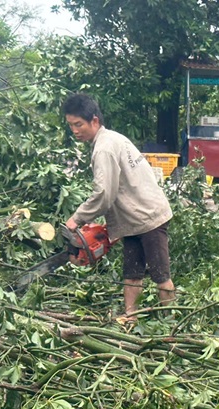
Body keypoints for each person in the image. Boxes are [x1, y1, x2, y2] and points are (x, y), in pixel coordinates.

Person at [63, 93, 175, 321]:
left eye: (79, 124)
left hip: (148, 218)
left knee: (160, 275)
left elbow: (104, 193)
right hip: (134, 220)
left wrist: (78, 219)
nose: (75, 130)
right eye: (71, 125)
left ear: (94, 120)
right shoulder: (112, 138)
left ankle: (172, 323)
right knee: (132, 274)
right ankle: (130, 318)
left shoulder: (104, 148)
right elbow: (119, 189)